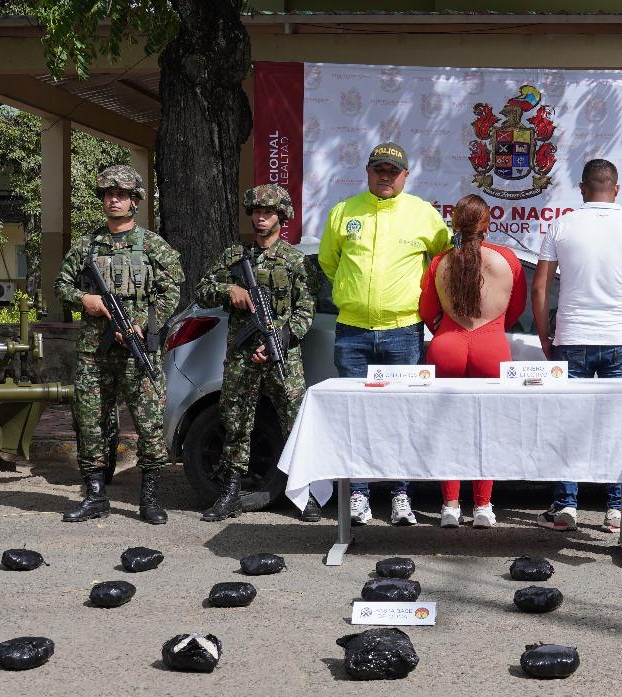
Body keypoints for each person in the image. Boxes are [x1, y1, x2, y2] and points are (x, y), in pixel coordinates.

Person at [319, 141, 451, 526]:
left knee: (403, 416)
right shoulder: (343, 213)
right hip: (352, 332)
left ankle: (401, 496)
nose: (385, 177)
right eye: (379, 169)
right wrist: (355, 294)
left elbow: (443, 265)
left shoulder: (425, 215)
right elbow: (330, 264)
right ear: (367, 170)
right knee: (355, 417)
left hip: (403, 331)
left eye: (393, 172)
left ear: (405, 176)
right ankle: (358, 493)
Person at [531, 158, 622, 533]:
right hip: (620, 340)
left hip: (572, 338)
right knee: (618, 426)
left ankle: (565, 505)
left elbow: (540, 287)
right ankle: (617, 509)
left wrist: (546, 336)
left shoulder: (562, 224)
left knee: (567, 424)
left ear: (582, 188)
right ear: (616, 189)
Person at [55, 165, 182, 525]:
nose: (114, 199)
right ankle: (95, 495)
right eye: (109, 194)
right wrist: (85, 299)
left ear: (135, 201)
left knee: (149, 422)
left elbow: (171, 292)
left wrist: (143, 324)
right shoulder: (86, 245)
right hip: (95, 351)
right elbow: (61, 285)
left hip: (138, 348)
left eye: (122, 194)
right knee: (91, 421)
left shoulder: (154, 246)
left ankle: (150, 497)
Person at [195, 184, 320, 524]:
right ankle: (231, 491)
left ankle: (302, 494)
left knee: (294, 422)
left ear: (282, 217)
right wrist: (229, 289)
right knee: (235, 421)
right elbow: (202, 290)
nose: (261, 218)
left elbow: (306, 309)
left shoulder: (294, 261)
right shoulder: (235, 255)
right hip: (241, 355)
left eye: (268, 213)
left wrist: (280, 337)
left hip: (283, 354)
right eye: (256, 212)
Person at [419, 194, 528, 528]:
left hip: (447, 344)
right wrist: (491, 330)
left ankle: (450, 505)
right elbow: (516, 308)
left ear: (455, 224)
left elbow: (426, 310)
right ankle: (482, 506)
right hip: (491, 346)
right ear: (487, 223)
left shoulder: (440, 261)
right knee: (488, 427)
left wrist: (449, 330)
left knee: (445, 427)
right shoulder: (507, 259)